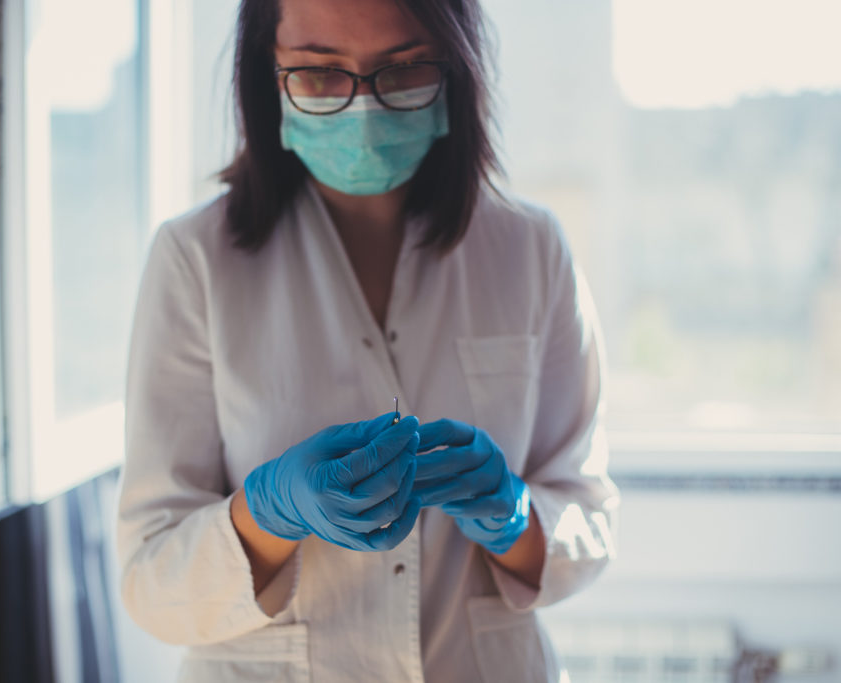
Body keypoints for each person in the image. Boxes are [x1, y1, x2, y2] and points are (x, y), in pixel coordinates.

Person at [115, 0, 620, 680]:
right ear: (268, 73)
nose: (363, 109)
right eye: (320, 73)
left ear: (455, 68)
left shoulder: (530, 250)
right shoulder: (194, 258)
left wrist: (515, 517)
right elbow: (151, 579)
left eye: (403, 69)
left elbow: (586, 515)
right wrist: (268, 514)